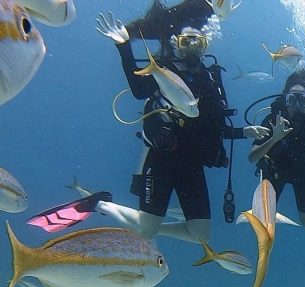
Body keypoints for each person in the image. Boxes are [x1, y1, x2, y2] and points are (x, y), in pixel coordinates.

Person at [29, 4, 269, 243]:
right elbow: (139, 90)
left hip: (193, 164)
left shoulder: (210, 78)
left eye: (198, 41)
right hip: (163, 159)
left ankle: (149, 225)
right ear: (176, 43)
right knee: (146, 231)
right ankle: (100, 203)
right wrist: (124, 46)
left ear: (205, 45)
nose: (192, 46)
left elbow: (213, 125)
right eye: (186, 41)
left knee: (200, 235)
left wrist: (244, 131)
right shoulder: (165, 72)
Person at [248, 69, 305, 226]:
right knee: (263, 221)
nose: (297, 106)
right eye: (292, 100)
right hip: (275, 171)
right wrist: (274, 139)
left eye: (302, 100)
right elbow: (252, 157)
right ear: (285, 99)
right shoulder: (272, 120)